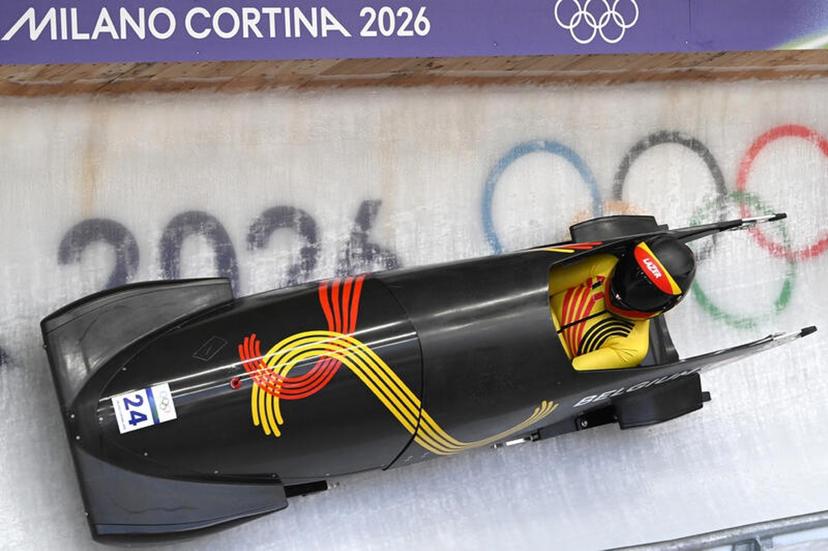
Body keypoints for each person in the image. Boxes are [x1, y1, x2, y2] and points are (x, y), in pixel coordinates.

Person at [549, 236, 696, 371]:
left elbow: (566, 371)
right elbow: (545, 286)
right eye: (631, 274)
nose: (629, 289)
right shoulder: (604, 266)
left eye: (646, 294)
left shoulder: (632, 348)